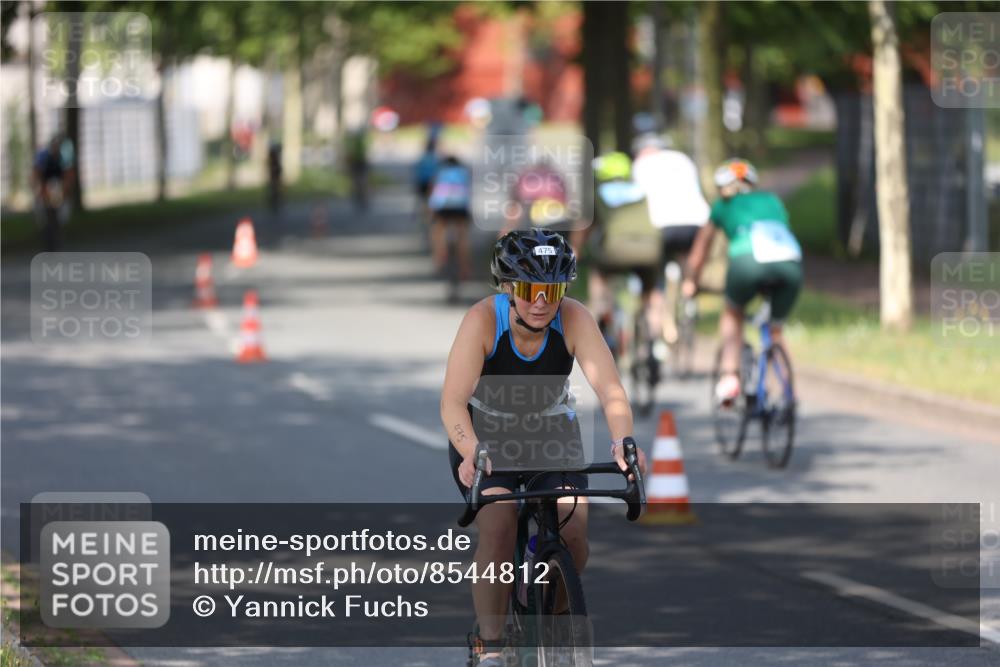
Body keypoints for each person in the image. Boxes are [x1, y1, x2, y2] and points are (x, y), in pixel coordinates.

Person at [440, 229, 647, 666]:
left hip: (552, 434)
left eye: (551, 290)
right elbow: (453, 403)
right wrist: (471, 450)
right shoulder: (482, 320)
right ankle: (491, 644)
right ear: (509, 289)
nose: (541, 301)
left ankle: (543, 620)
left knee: (574, 537)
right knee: (498, 529)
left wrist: (623, 442)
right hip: (487, 438)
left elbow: (611, 391)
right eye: (531, 290)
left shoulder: (573, 318)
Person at [683, 158, 803, 404]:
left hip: (748, 260)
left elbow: (700, 250)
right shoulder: (771, 200)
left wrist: (691, 281)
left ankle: (730, 378)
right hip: (791, 262)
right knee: (775, 328)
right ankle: (788, 393)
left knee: (732, 312)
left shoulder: (723, 205)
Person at [427, 155, 473, 283]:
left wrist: (430, 212)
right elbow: (468, 192)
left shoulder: (439, 172)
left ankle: (439, 259)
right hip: (460, 206)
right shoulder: (464, 172)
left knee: (437, 230)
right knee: (463, 236)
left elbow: (433, 191)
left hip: (442, 206)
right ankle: (465, 268)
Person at [499, 158, 571, 235]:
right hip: (551, 217)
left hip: (546, 217)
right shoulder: (556, 176)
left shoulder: (526, 176)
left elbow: (515, 205)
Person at [32, 135, 75, 252]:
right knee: (46, 220)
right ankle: (48, 246)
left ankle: (56, 246)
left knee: (58, 221)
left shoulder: (64, 158)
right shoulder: (43, 157)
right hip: (46, 191)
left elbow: (68, 177)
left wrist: (64, 193)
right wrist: (41, 192)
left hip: (58, 191)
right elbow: (37, 175)